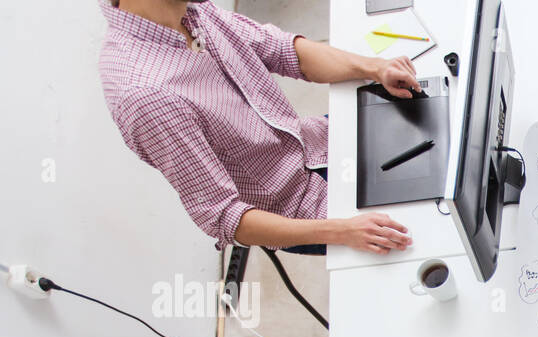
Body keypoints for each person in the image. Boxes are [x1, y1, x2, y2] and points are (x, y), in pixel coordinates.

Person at [99, 0, 417, 255]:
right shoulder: (145, 96)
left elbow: (283, 51)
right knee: (429, 229)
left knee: (436, 132)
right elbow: (224, 216)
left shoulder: (192, 11)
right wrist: (343, 231)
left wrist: (374, 67)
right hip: (308, 211)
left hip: (315, 142)